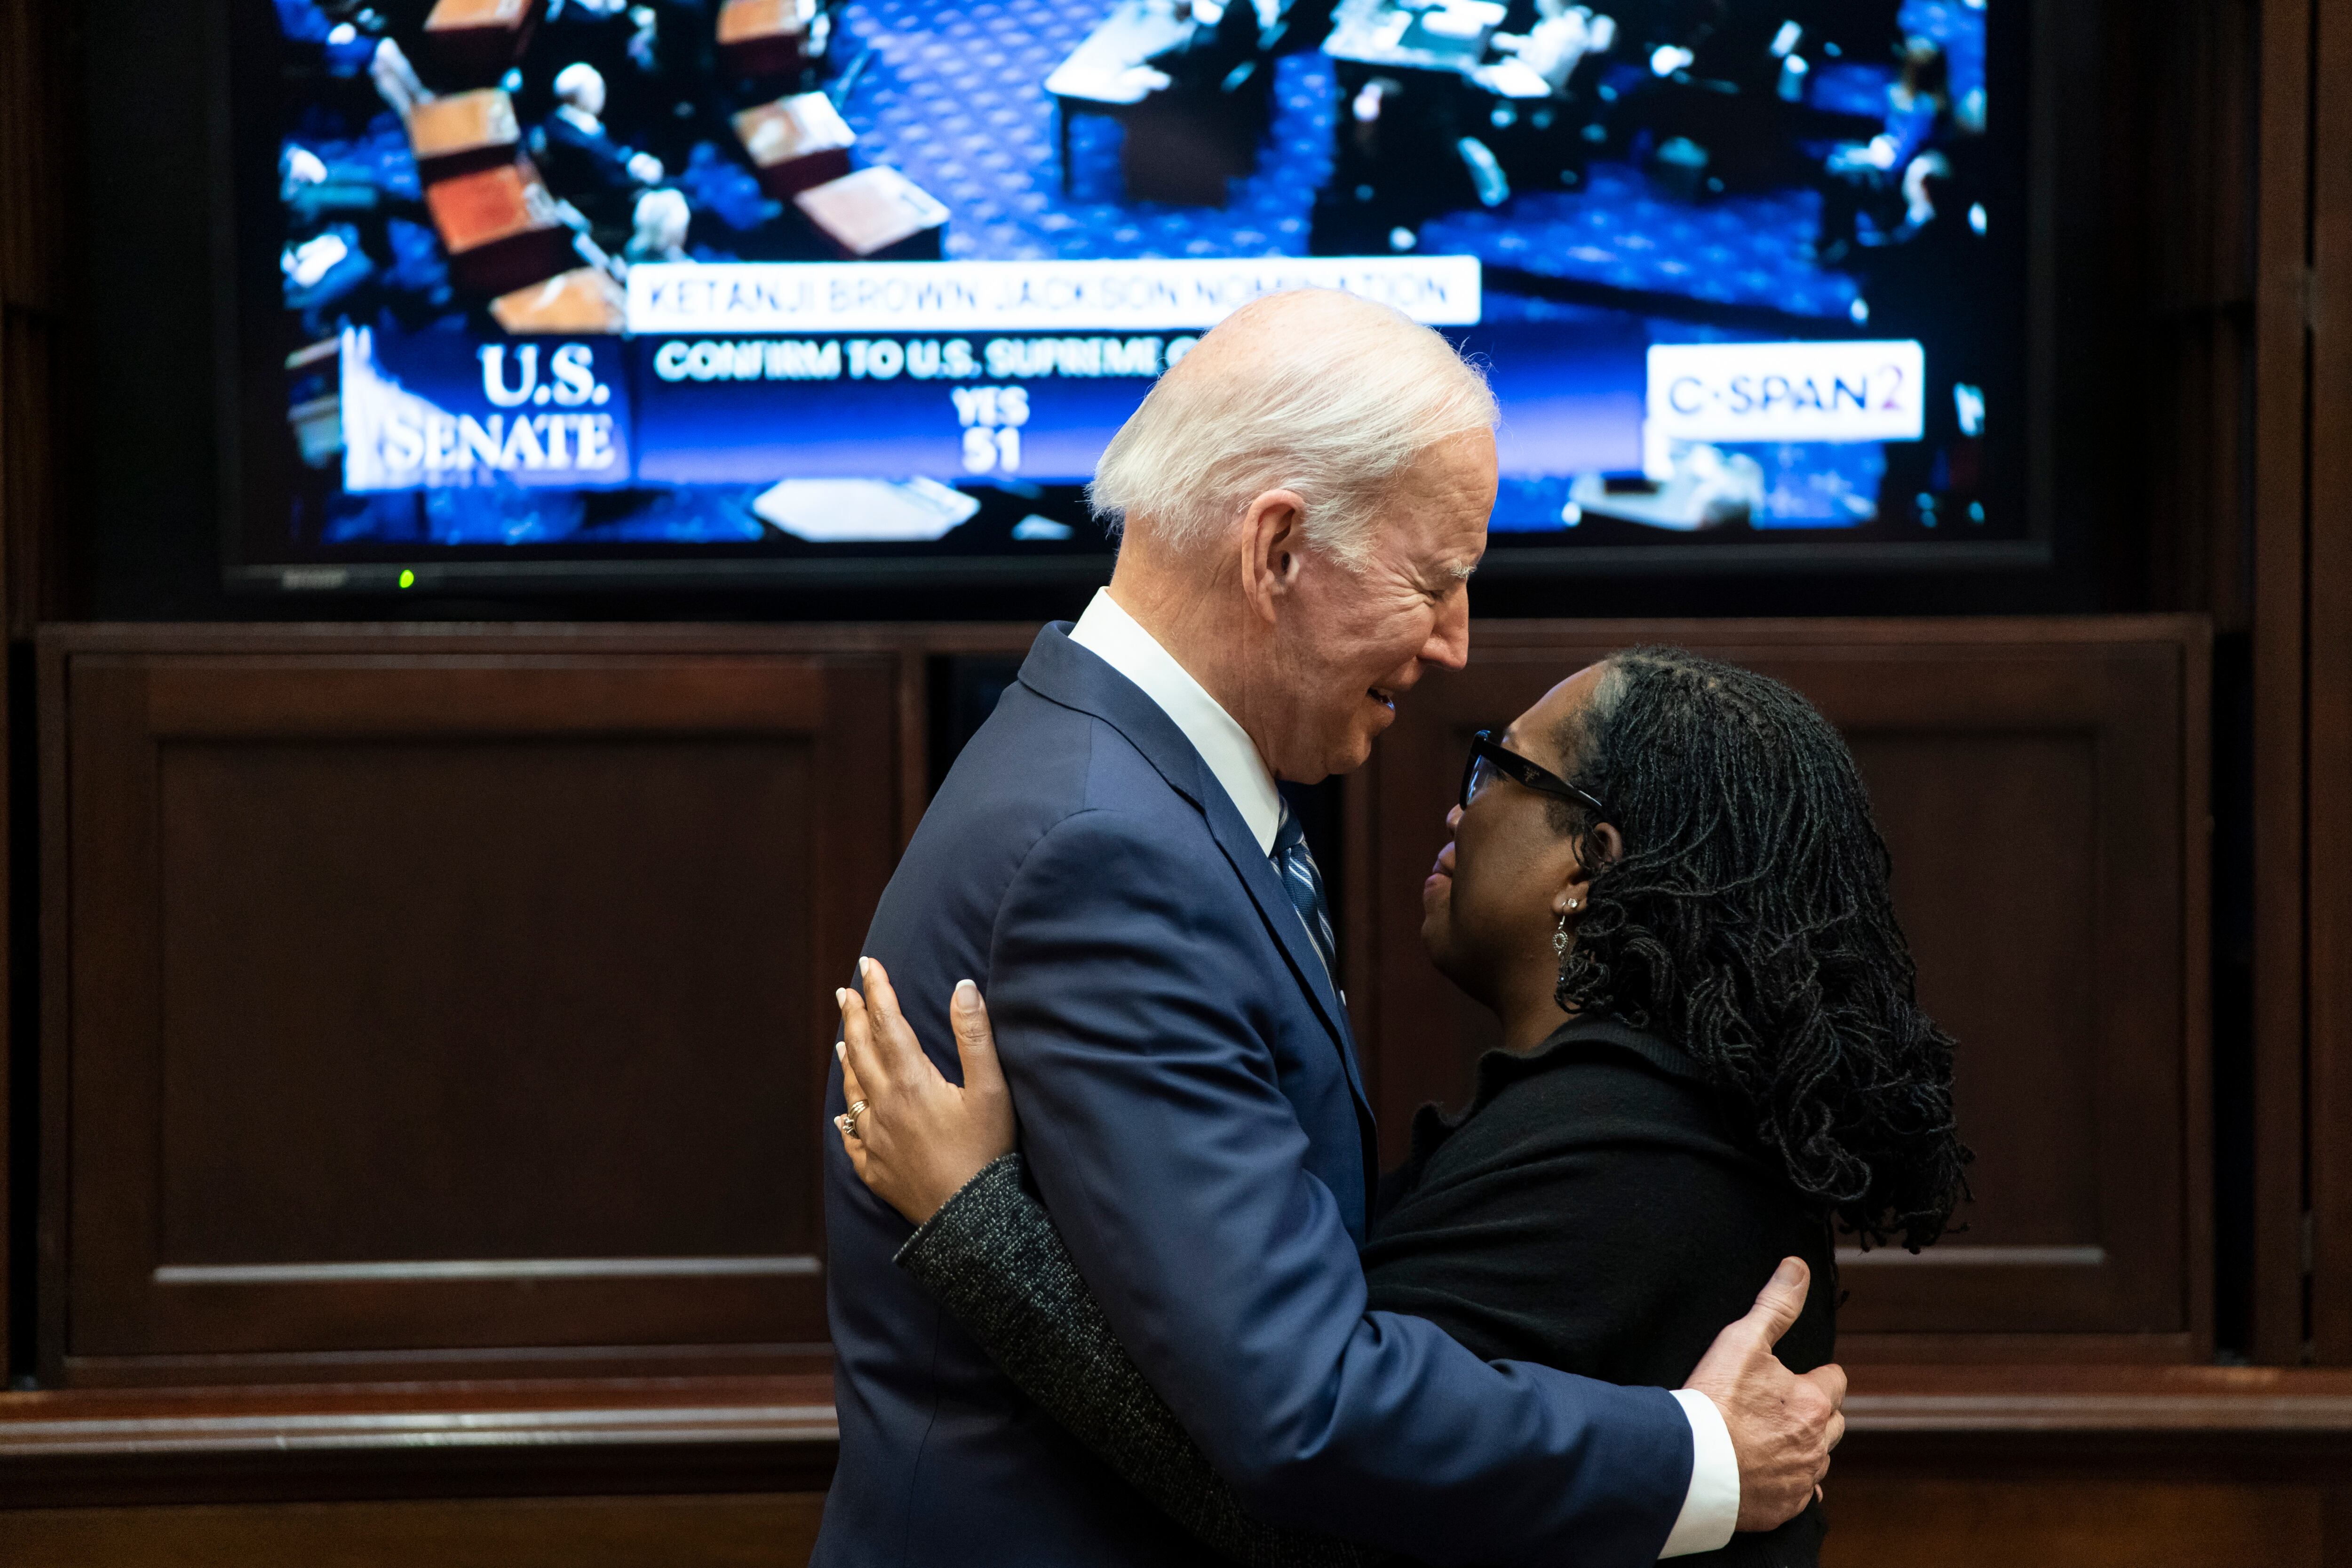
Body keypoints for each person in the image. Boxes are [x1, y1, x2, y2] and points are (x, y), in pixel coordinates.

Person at [813, 289, 1847, 1568]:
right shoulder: (1110, 847)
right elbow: (1298, 1406)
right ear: (1279, 551)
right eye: (1437, 579)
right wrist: (1700, 1456)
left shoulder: (1134, 787)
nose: (1458, 645)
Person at [835, 647, 1971, 1565]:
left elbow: (1307, 1508)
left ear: (1590, 859)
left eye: (1495, 770)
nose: (1454, 803)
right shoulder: (1636, 1119)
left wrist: (975, 1213)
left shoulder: (1620, 1155)